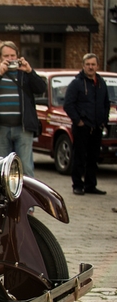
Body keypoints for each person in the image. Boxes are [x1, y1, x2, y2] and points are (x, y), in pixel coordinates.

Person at [0, 41, 47, 177]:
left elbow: (41, 88)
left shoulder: (24, 75)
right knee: (2, 169)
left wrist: (29, 71)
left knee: (26, 168)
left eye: (13, 55)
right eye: (6, 56)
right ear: (0, 57)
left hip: (23, 128)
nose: (10, 59)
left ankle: (27, 197)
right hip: (1, 128)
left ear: (18, 56)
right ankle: (4, 198)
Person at [63, 53, 110, 195]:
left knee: (93, 158)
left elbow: (106, 103)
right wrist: (79, 121)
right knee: (79, 157)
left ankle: (90, 185)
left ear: (97, 66)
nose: (91, 67)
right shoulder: (76, 83)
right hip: (82, 128)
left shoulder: (101, 83)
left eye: (93, 64)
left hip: (97, 127)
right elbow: (68, 104)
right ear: (83, 66)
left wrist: (104, 121)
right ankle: (77, 185)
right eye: (88, 64)